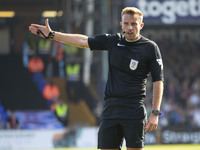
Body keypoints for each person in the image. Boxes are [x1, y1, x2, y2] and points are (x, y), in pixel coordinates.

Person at [29, 7, 164, 150]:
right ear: (121, 24)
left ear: (141, 25)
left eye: (134, 24)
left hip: (133, 108)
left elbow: (158, 80)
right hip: (111, 108)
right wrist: (52, 35)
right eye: (126, 23)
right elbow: (82, 40)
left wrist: (155, 112)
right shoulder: (113, 41)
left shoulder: (150, 48)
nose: (129, 27)